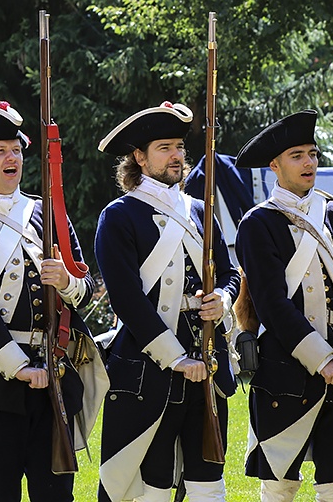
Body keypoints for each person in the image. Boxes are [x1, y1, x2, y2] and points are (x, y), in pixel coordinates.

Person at [0, 101, 107, 502]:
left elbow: (82, 288)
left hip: (54, 378)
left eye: (16, 150)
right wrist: (19, 367)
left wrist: (65, 280)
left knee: (57, 495)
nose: (12, 158)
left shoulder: (46, 212)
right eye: (0, 151)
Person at [94, 102, 240, 502]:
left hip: (207, 359)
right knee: (151, 484)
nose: (177, 155)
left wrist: (222, 301)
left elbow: (230, 274)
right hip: (149, 367)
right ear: (139, 158)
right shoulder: (119, 216)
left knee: (209, 481)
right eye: (164, 147)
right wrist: (175, 357)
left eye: (178, 146)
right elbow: (127, 299)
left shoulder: (198, 210)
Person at [233, 110, 333, 502]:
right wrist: (320, 359)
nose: (309, 162)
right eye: (297, 155)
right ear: (275, 165)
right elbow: (272, 304)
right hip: (285, 362)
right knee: (281, 473)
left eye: (312, 153)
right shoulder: (258, 223)